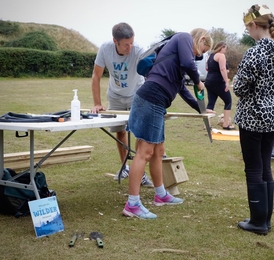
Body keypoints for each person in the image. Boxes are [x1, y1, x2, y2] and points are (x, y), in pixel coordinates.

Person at [122, 28, 212, 219]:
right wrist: (198, 82)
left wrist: (202, 110)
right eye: (202, 50)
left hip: (158, 101)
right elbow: (190, 64)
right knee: (144, 152)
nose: (199, 55)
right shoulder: (184, 38)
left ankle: (161, 195)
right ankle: (132, 204)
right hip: (151, 97)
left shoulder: (177, 62)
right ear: (201, 39)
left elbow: (183, 91)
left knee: (158, 151)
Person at [233, 4, 274, 235]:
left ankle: (258, 222)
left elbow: (239, 87)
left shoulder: (255, 52)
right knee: (265, 165)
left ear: (255, 25)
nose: (247, 32)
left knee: (253, 168)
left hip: (252, 114)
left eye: (248, 27)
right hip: (273, 114)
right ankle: (264, 220)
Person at [90, 22, 153, 187]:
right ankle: (124, 167)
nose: (129, 47)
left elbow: (151, 74)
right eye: (126, 44)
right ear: (115, 41)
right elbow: (96, 76)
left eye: (131, 42)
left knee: (140, 133)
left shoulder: (139, 50)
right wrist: (97, 103)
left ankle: (140, 172)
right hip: (115, 95)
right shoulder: (105, 49)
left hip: (136, 94)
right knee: (119, 131)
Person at [205, 41, 235, 130]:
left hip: (209, 81)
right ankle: (226, 124)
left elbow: (208, 68)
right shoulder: (221, 56)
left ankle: (207, 125)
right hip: (217, 81)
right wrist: (226, 82)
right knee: (228, 101)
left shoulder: (210, 56)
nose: (225, 51)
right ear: (222, 47)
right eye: (225, 49)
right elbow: (222, 69)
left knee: (211, 103)